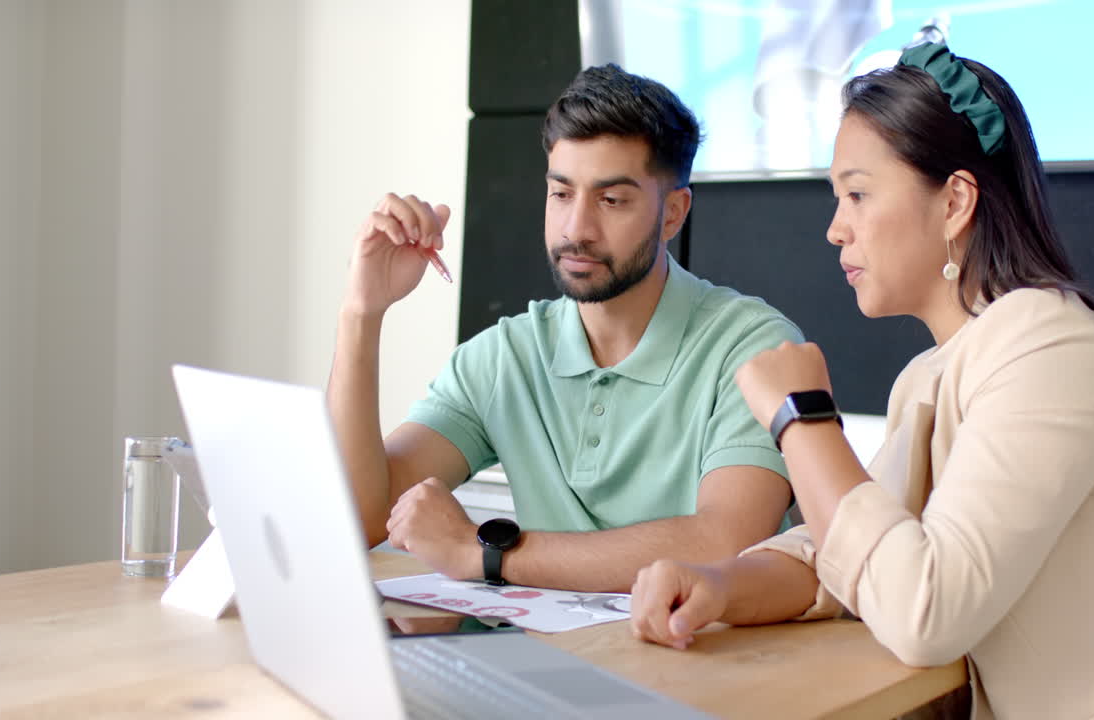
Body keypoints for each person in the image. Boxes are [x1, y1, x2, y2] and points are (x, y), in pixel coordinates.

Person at [629, 43, 1094, 718]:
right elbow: (843, 549)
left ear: (954, 203)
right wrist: (719, 584)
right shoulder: (931, 376)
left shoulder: (1051, 341)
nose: (835, 229)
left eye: (857, 194)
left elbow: (926, 609)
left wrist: (802, 416)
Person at [328, 64, 803, 594]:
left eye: (611, 199)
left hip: (706, 664)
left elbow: (723, 543)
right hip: (553, 659)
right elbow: (361, 517)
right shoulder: (504, 356)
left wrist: (485, 551)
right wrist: (361, 313)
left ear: (672, 214)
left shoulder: (753, 347)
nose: (577, 229)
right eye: (561, 194)